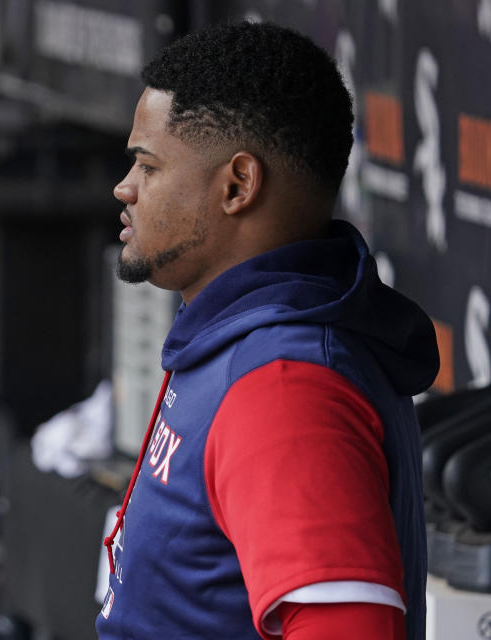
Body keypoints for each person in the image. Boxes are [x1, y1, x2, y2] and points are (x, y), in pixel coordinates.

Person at [98, 21, 439, 640]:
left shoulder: (282, 387)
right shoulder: (245, 339)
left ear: (237, 185)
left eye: (148, 167)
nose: (125, 188)